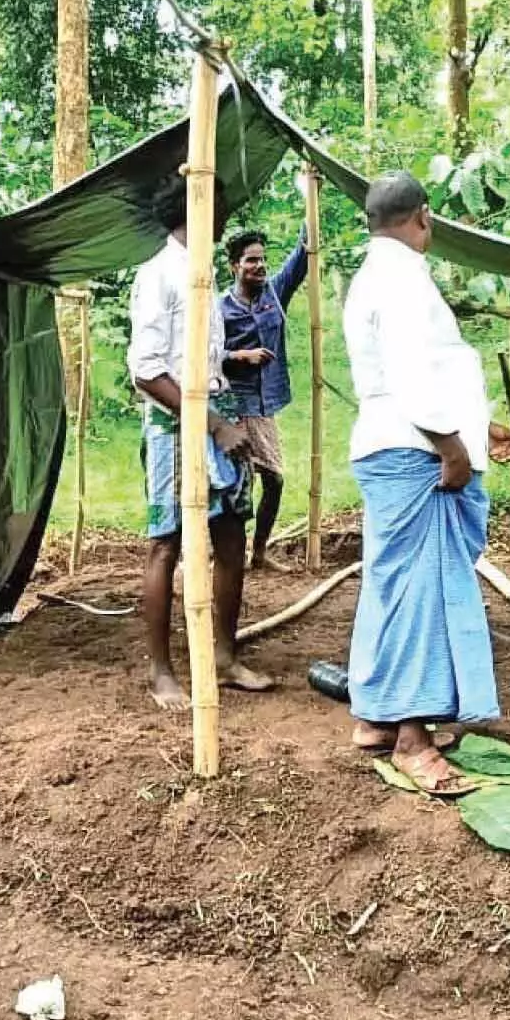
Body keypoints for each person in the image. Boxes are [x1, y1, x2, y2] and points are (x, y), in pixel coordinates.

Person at [341, 173, 510, 793]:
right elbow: (414, 380)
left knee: (393, 582)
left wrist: (479, 427)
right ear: (424, 216)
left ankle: (376, 717)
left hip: (398, 443)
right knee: (424, 589)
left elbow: (424, 375)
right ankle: (413, 740)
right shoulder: (400, 281)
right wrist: (453, 448)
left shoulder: (379, 276)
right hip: (415, 450)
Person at [127, 176, 274, 710]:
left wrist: (224, 419)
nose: (224, 219)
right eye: (218, 208)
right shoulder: (159, 274)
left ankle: (224, 657)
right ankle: (162, 673)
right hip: (176, 424)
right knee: (167, 542)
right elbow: (146, 370)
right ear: (195, 210)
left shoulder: (202, 274)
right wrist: (213, 425)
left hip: (217, 411)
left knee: (231, 534)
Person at [219, 225, 309, 571]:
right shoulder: (220, 308)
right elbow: (206, 354)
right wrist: (241, 356)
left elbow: (300, 259)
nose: (259, 266)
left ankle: (259, 552)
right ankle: (229, 554)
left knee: (274, 478)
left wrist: (309, 209)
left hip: (265, 404)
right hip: (234, 404)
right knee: (237, 484)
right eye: (251, 260)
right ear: (234, 266)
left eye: (262, 259)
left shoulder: (274, 293)